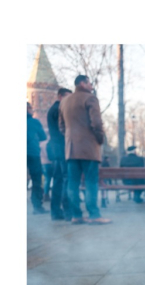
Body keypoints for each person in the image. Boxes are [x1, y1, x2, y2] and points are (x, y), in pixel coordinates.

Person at [59, 75, 111, 224]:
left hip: (71, 149)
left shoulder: (64, 101)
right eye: (89, 83)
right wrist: (99, 139)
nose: (92, 86)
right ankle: (94, 215)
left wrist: (70, 138)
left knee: (73, 183)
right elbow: (96, 122)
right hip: (88, 148)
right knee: (91, 182)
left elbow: (61, 126)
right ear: (82, 83)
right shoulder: (90, 98)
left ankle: (76, 215)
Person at [47, 88, 72, 220]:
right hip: (62, 149)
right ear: (60, 96)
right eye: (68, 97)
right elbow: (64, 130)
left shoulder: (54, 109)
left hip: (57, 150)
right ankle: (68, 211)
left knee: (58, 181)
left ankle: (56, 212)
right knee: (65, 179)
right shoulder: (59, 109)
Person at [27, 102, 48, 214]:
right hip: (32, 152)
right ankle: (37, 206)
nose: (32, 110)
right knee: (36, 179)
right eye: (31, 108)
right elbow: (43, 137)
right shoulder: (34, 122)